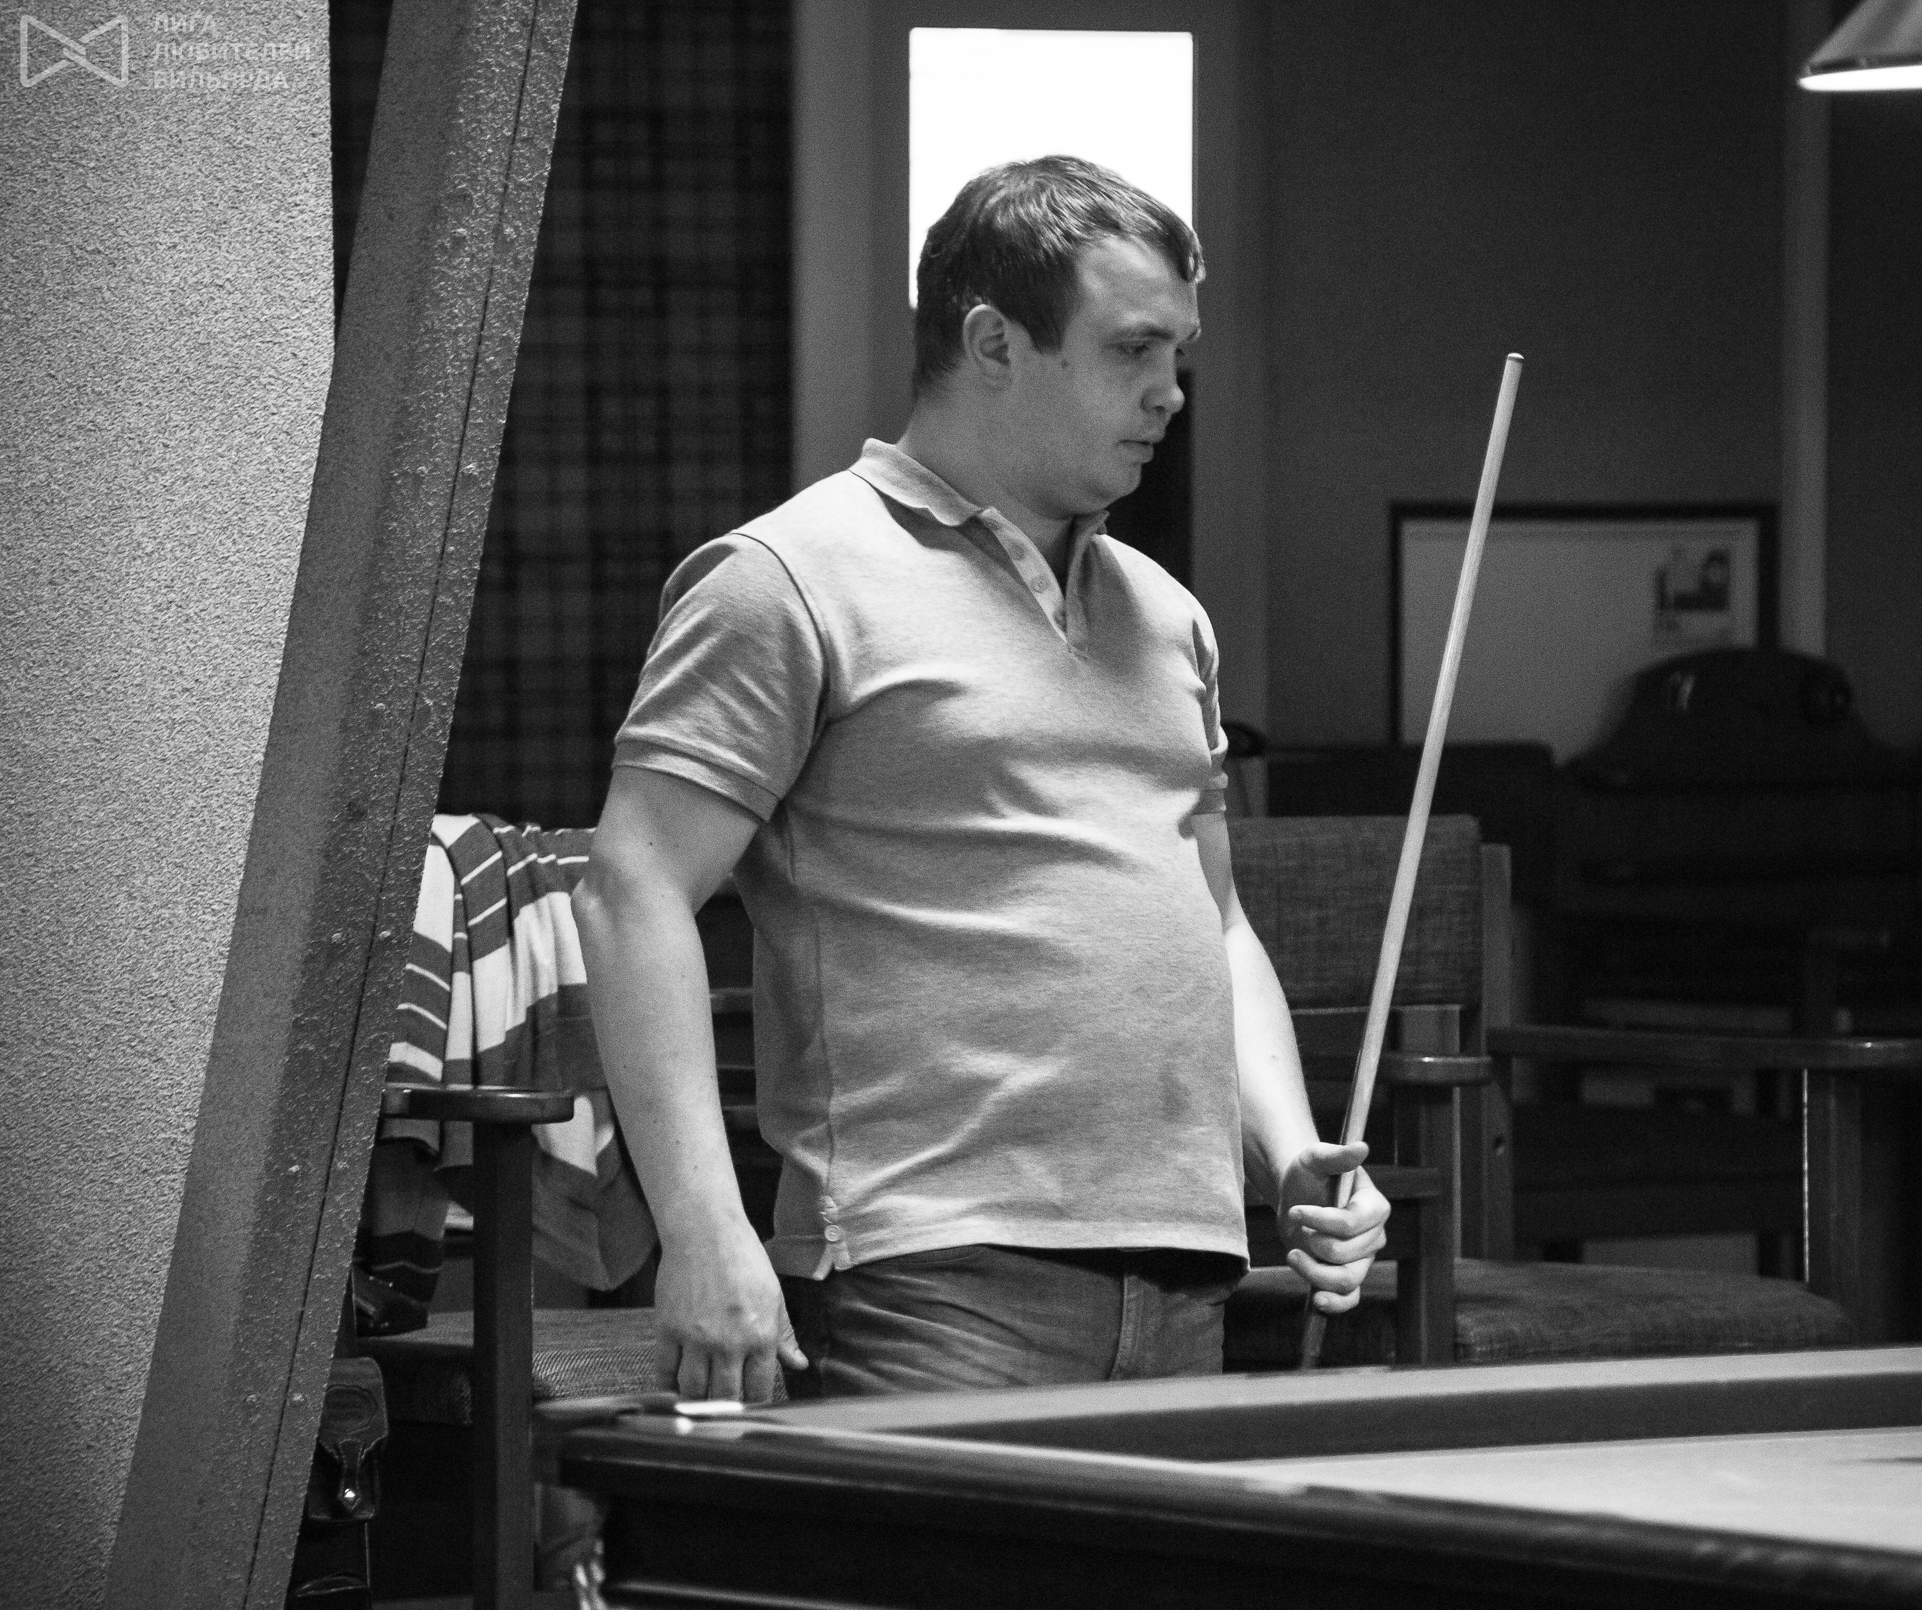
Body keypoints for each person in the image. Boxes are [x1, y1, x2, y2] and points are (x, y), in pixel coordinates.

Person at [575, 157, 1389, 1402]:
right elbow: (632, 891)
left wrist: (1288, 1152)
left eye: (1178, 354)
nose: (1171, 392)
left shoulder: (1167, 614)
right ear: (993, 342)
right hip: (931, 1271)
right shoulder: (785, 577)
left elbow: (1216, 920)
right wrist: (702, 1224)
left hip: (1186, 1265)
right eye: (1132, 350)